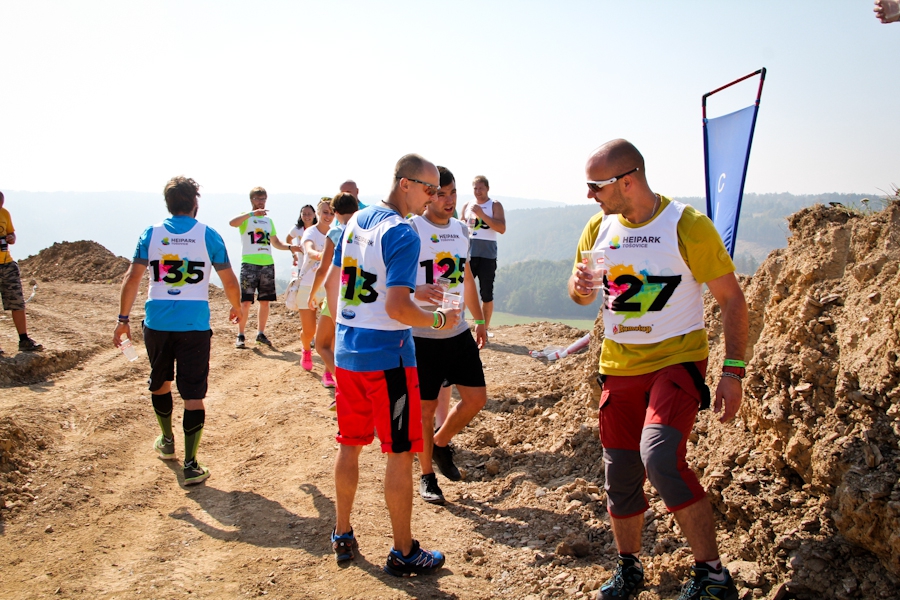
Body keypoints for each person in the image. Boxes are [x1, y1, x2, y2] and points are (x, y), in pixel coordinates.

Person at [568, 140, 748, 600]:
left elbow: (732, 299)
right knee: (621, 474)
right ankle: (628, 568)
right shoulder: (598, 227)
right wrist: (580, 286)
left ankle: (713, 576)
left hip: (676, 361)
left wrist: (732, 372)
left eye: (596, 185)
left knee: (661, 457)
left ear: (627, 180)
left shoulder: (687, 225)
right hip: (619, 365)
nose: (589, 194)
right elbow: (581, 295)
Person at [323, 154, 460, 576]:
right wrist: (439, 320)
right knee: (400, 453)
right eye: (429, 189)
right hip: (389, 359)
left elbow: (342, 282)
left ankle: (342, 532)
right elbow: (397, 309)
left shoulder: (356, 220)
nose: (432, 198)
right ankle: (403, 552)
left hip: (349, 353)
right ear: (405, 184)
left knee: (349, 444)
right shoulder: (403, 232)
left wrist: (412, 290)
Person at [114, 176, 243, 486]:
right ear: (195, 204)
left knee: (160, 382)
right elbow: (228, 280)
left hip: (157, 323)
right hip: (194, 325)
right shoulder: (208, 235)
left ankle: (167, 441)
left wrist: (122, 319)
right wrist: (237, 307)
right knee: (193, 394)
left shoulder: (151, 234)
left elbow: (132, 279)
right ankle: (191, 464)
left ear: (168, 204)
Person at [409, 166, 487, 505]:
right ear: (428, 196)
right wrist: (415, 290)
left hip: (457, 331)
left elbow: (466, 277)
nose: (448, 200)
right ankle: (427, 477)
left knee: (476, 398)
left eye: (453, 192)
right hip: (422, 333)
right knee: (425, 410)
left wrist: (480, 319)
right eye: (441, 194)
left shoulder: (461, 229)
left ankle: (440, 443)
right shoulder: (412, 228)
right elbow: (391, 277)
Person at [228, 187, 300, 348]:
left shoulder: (268, 221)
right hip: (249, 263)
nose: (261, 202)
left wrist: (290, 247)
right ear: (252, 200)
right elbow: (232, 223)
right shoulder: (246, 218)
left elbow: (275, 242)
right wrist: (251, 214)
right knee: (246, 301)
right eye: (258, 198)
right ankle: (241, 335)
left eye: (263, 199)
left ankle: (260, 333)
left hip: (267, 263)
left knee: (265, 301)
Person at [306, 192, 360, 391]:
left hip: (337, 294)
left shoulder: (335, 233)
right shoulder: (365, 232)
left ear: (335, 212)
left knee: (322, 345)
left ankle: (347, 385)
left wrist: (312, 294)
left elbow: (323, 269)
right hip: (360, 295)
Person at [461, 175, 505, 334]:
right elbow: (461, 226)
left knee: (486, 293)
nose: (478, 191)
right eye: (475, 188)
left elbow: (501, 228)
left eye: (481, 188)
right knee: (462, 290)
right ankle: (458, 327)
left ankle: (484, 330)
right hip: (469, 253)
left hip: (487, 254)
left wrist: (482, 214)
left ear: (487, 189)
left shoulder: (494, 205)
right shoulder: (467, 205)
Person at [0, 191, 43, 354]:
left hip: (7, 264)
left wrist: (11, 237)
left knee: (17, 303)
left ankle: (24, 339)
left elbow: (11, 233)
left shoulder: (4, 213)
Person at [296, 199, 335, 375]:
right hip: (307, 285)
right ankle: (306, 349)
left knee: (330, 332)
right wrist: (323, 255)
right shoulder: (310, 232)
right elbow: (309, 250)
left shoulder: (336, 233)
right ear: (318, 213)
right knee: (309, 331)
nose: (328, 216)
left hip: (328, 286)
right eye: (325, 212)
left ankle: (329, 371)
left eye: (331, 213)